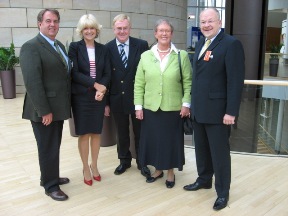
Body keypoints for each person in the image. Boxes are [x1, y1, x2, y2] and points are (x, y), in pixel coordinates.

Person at [183, 8, 245, 210]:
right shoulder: (201, 42)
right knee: (201, 149)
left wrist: (231, 112)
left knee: (219, 154)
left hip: (219, 113)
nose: (206, 25)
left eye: (210, 21)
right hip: (200, 110)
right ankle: (204, 179)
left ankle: (223, 193)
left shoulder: (231, 44)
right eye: (203, 22)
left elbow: (235, 82)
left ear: (219, 22)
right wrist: (191, 105)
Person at [20, 9, 71, 201]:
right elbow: (32, 82)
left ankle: (50, 176)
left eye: (56, 21)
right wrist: (44, 111)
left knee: (53, 144)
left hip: (57, 107)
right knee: (47, 146)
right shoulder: (31, 47)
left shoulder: (58, 45)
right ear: (39, 23)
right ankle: (51, 186)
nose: (53, 25)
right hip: (44, 110)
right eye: (48, 21)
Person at [134, 19, 192, 188]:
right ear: (155, 34)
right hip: (151, 107)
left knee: (170, 141)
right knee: (154, 140)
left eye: (167, 31)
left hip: (173, 107)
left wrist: (186, 103)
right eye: (161, 30)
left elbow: (188, 82)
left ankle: (170, 172)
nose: (164, 33)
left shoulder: (181, 56)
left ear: (171, 34)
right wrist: (138, 106)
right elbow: (139, 83)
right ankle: (158, 169)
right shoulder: (146, 56)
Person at [105, 14, 150, 177]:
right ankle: (124, 161)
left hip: (138, 98)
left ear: (130, 28)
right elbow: (106, 76)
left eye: (125, 28)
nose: (122, 31)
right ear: (113, 29)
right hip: (117, 97)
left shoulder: (142, 45)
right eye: (119, 28)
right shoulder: (107, 48)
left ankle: (142, 162)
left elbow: (148, 72)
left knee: (140, 132)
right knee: (121, 132)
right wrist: (106, 103)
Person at [68, 14, 111, 186]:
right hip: (81, 97)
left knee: (96, 132)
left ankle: (95, 165)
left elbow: (108, 73)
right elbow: (75, 73)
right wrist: (96, 85)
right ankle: (85, 167)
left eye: (92, 28)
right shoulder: (74, 47)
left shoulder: (103, 49)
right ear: (81, 30)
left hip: (98, 97)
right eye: (85, 28)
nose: (89, 31)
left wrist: (103, 89)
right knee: (85, 133)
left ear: (96, 30)